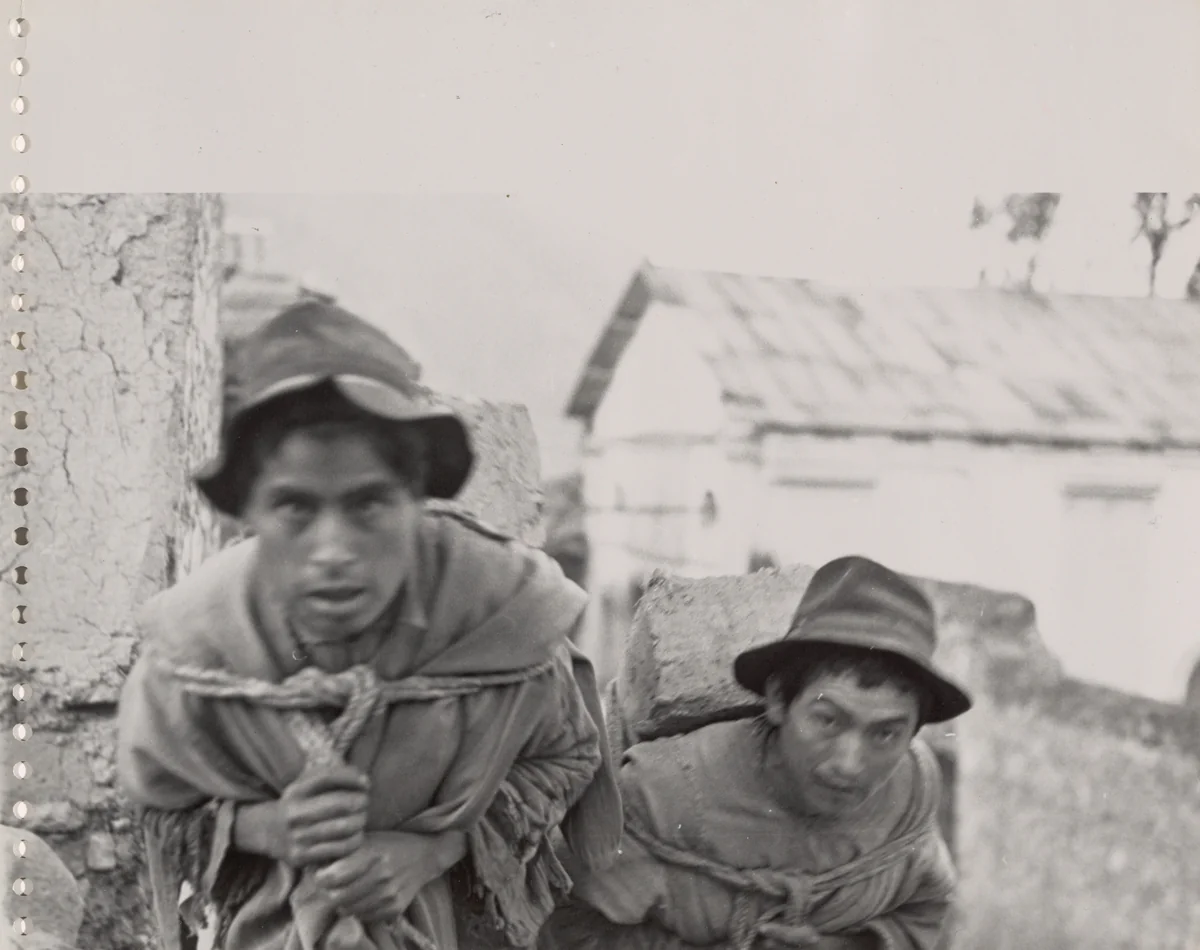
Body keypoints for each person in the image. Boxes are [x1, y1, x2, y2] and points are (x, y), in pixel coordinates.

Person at [116, 301, 622, 950]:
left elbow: (567, 755)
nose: (332, 551)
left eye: (369, 504)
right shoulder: (194, 652)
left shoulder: (500, 618)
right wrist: (261, 828)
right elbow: (158, 803)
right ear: (249, 514)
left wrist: (436, 848)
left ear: (418, 501)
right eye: (295, 507)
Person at [545, 555, 973, 950]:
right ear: (778, 700)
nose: (849, 764)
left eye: (886, 734)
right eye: (827, 720)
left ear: (914, 734)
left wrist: (840, 946)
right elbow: (565, 922)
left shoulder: (910, 792)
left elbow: (925, 907)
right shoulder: (665, 790)